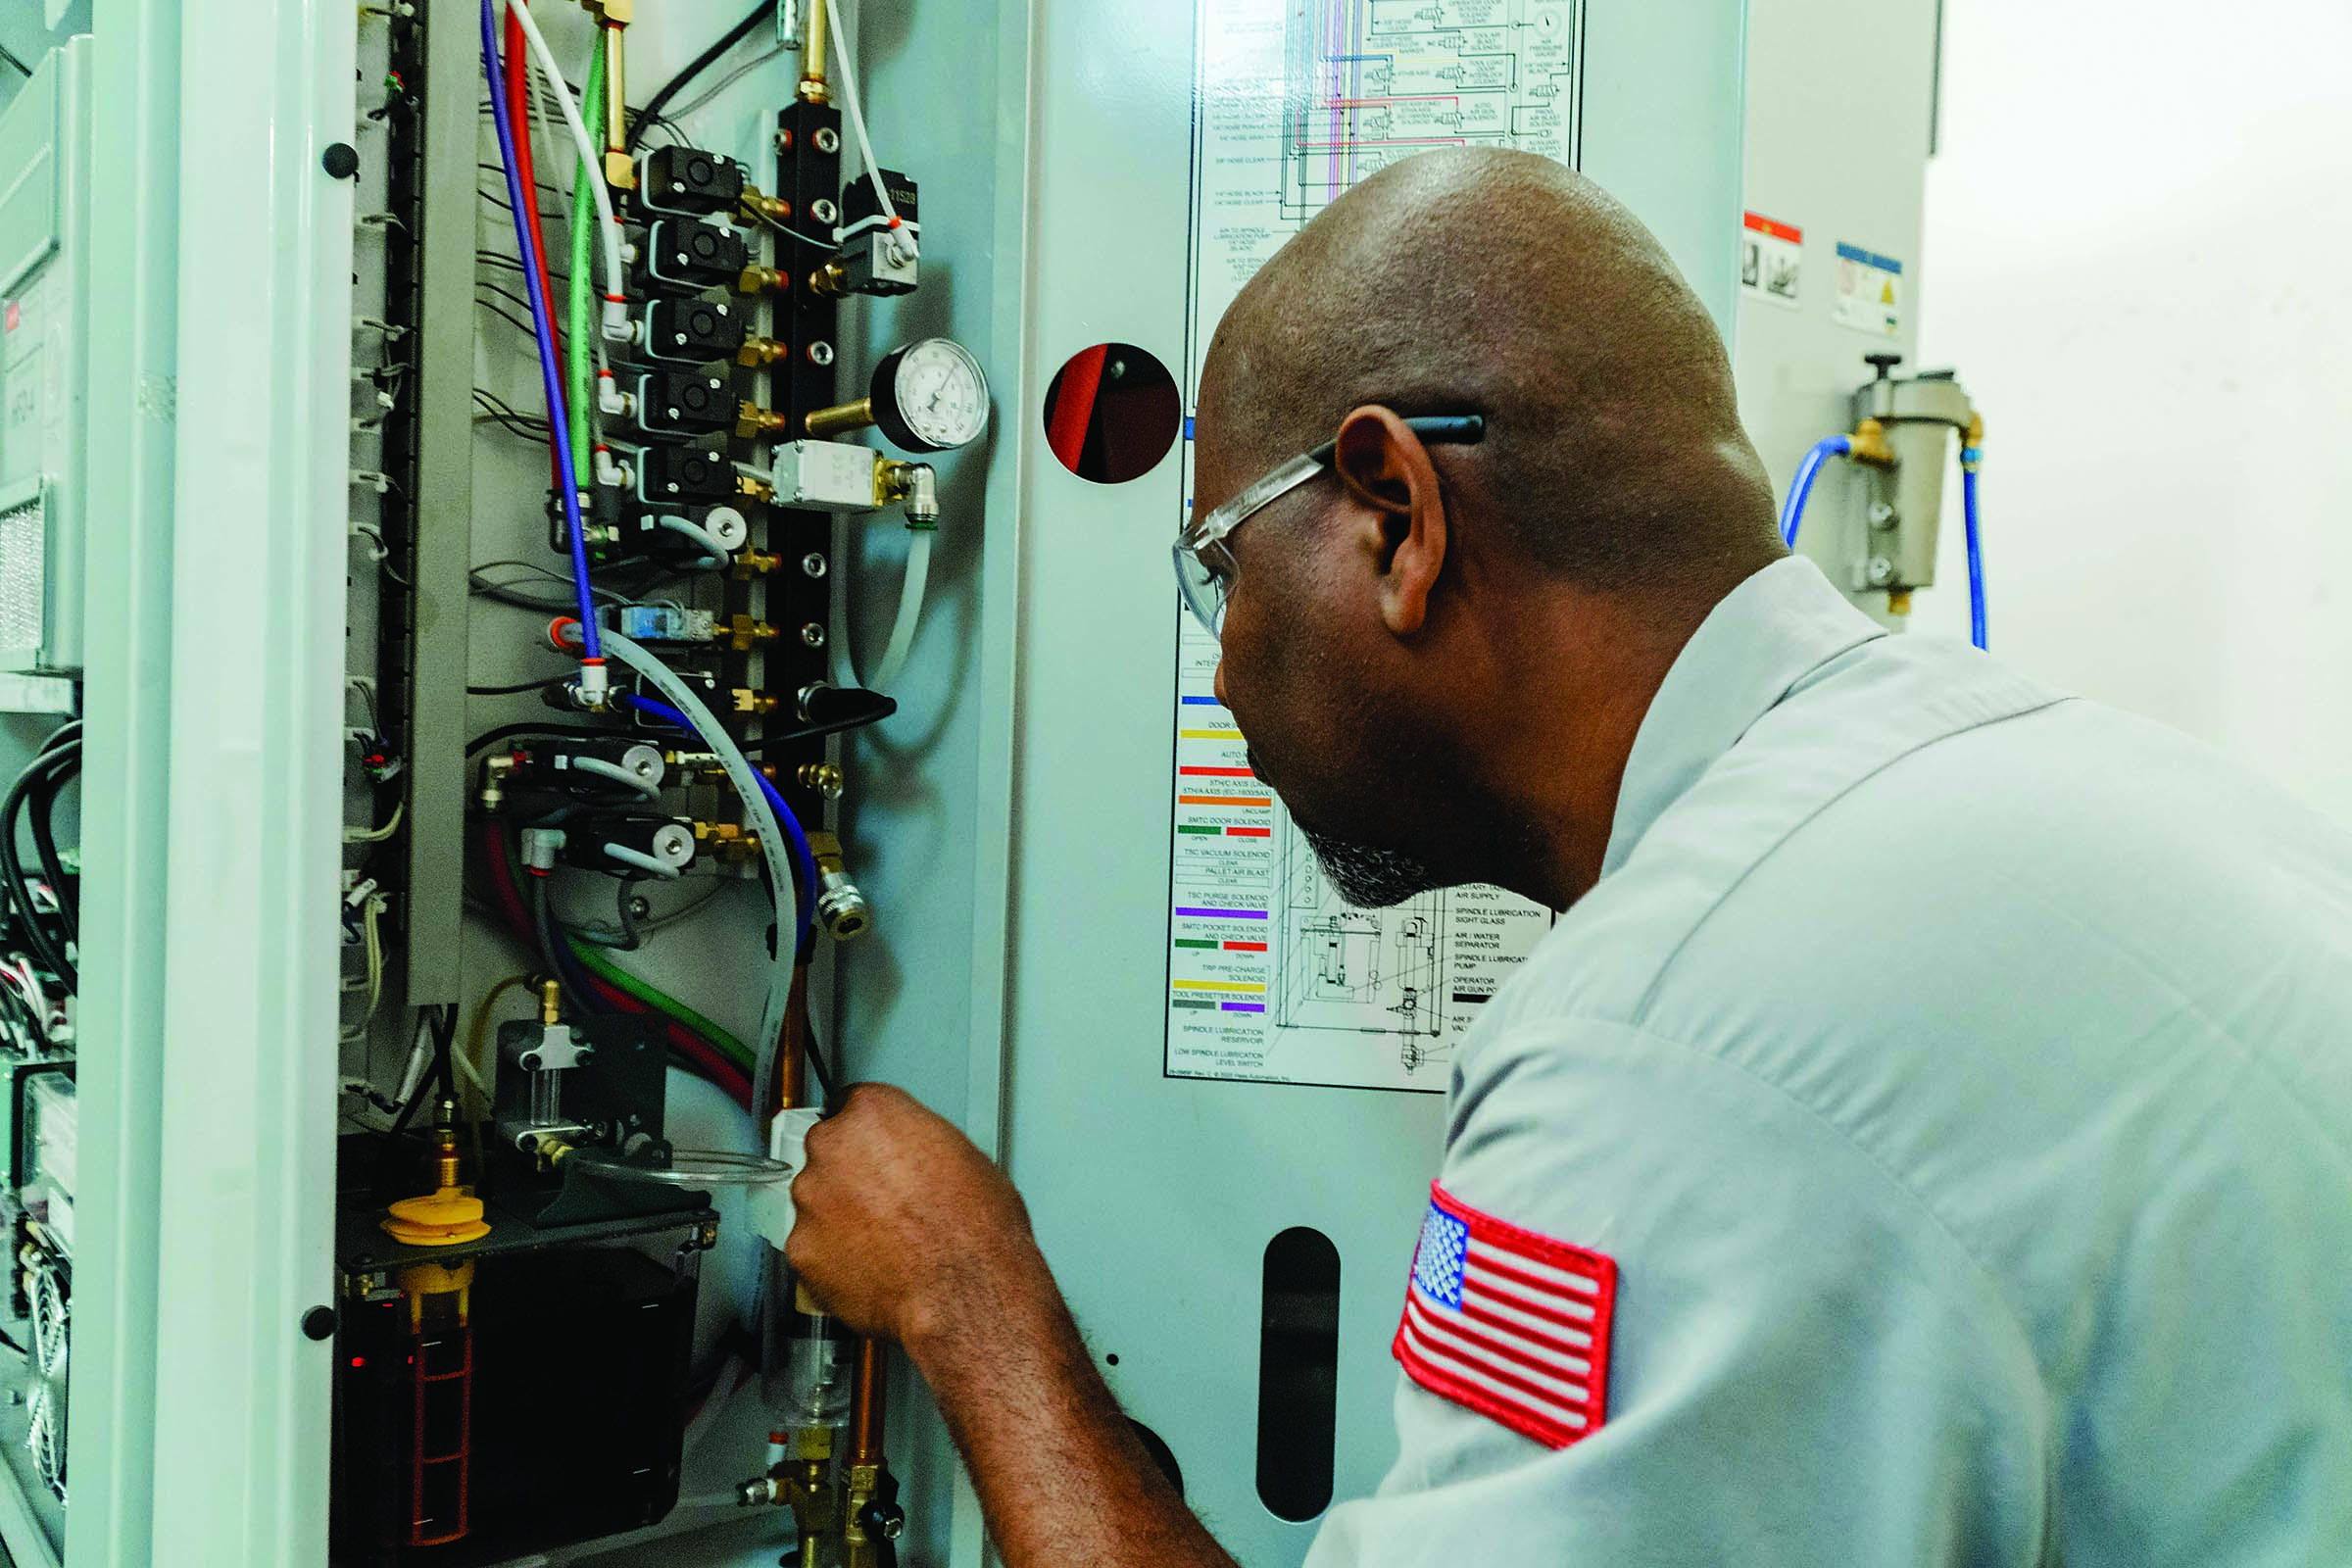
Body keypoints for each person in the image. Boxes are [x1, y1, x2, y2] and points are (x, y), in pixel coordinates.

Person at [785, 149, 2352, 1564]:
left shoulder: (1672, 1042)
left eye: (1223, 578)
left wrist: (965, 1294)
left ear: (1395, 512)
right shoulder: (2051, 765)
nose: (1227, 673)